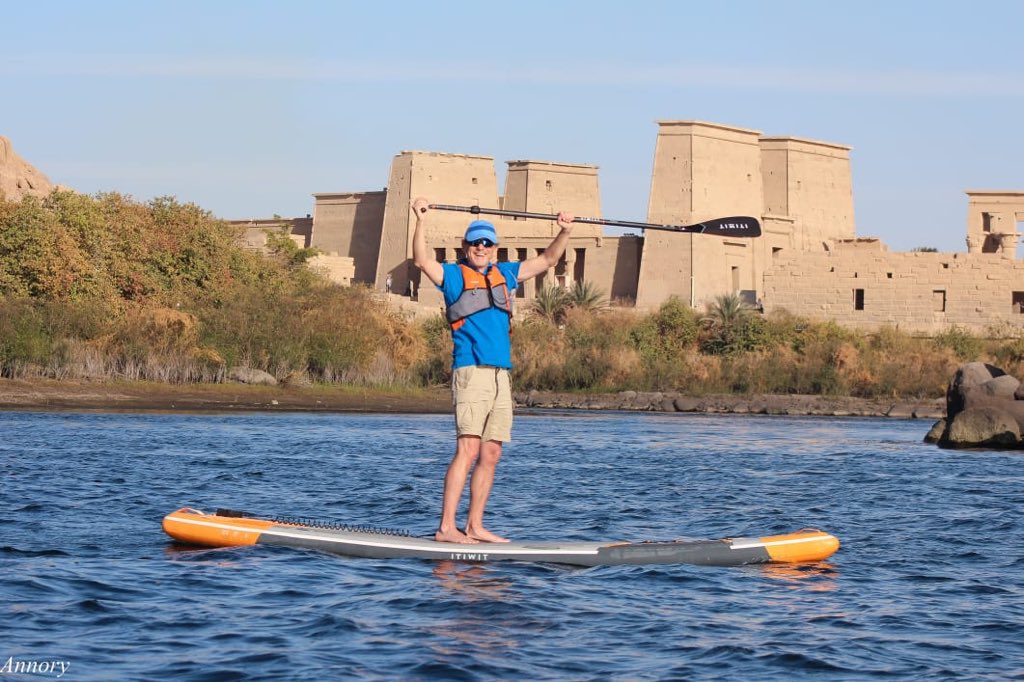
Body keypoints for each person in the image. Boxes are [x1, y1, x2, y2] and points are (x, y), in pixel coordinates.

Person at [411, 197, 575, 543]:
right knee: (468, 449)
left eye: (487, 243)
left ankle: (474, 526)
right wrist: (421, 220)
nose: (481, 248)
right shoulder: (453, 276)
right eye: (475, 243)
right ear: (466, 247)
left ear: (495, 248)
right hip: (471, 371)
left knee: (491, 453)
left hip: (501, 375)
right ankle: (446, 528)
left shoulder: (507, 274)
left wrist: (565, 231)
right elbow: (422, 260)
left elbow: (548, 259)